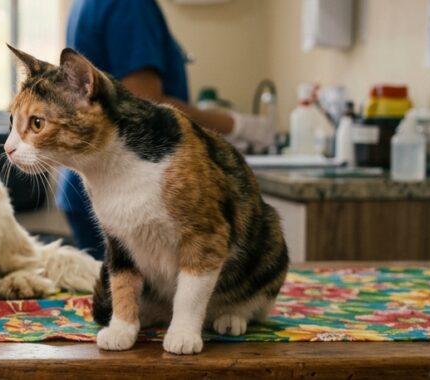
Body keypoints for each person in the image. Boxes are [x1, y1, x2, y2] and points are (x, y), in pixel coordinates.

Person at [59, 0, 274, 260]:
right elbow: (146, 101)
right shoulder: (131, 6)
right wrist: (237, 125)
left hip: (94, 180)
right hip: (123, 189)